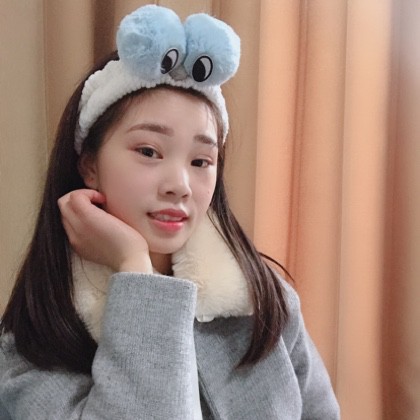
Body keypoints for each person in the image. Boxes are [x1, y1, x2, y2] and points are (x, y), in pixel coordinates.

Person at [0, 5, 340, 419]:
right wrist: (135, 268)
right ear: (89, 165)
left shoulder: (265, 302)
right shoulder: (31, 346)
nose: (179, 184)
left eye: (201, 161)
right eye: (149, 151)